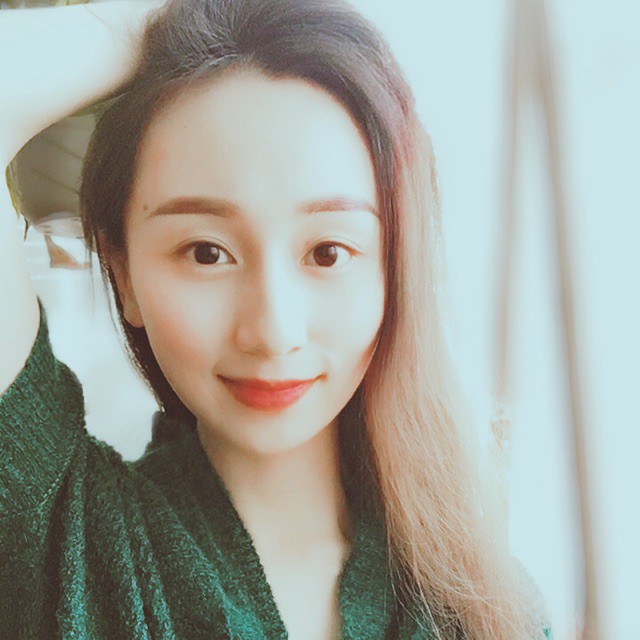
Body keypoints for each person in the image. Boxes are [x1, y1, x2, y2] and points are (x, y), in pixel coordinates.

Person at [0, 0, 552, 638]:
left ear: (396, 266)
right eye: (206, 253)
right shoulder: (64, 543)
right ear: (123, 275)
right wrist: (166, 18)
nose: (273, 332)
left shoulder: (489, 604)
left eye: (327, 253)